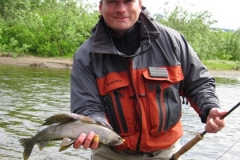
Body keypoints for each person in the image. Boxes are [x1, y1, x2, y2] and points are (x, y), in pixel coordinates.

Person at [70, 0, 227, 159]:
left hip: (165, 152)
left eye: (128, 1)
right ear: (100, 7)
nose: (121, 9)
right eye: (112, 2)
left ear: (139, 4)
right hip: (111, 152)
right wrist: (96, 129)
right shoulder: (85, 55)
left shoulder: (172, 41)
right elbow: (87, 106)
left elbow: (199, 84)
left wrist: (209, 108)